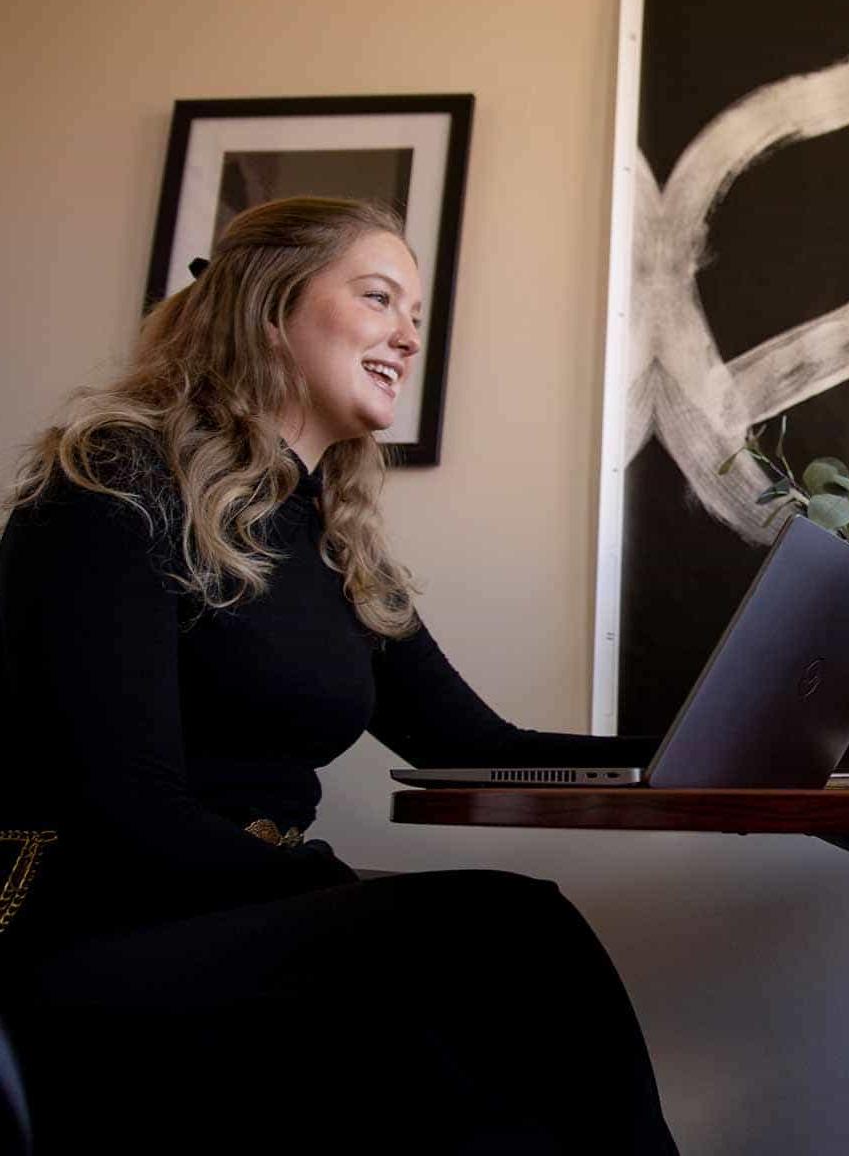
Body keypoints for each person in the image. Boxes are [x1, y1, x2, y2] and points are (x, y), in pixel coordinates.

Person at [0, 197, 678, 1153]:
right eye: (378, 297)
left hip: (254, 915)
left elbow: (475, 747)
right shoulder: (109, 485)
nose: (407, 335)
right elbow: (124, 806)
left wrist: (704, 743)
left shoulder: (332, 542)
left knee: (496, 1045)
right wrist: (320, 875)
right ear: (270, 307)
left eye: (414, 315)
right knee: (508, 929)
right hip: (103, 933)